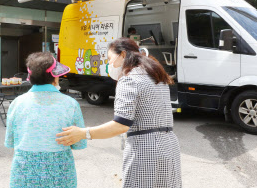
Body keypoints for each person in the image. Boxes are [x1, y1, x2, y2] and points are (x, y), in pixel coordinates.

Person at [56, 38, 182, 187]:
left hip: (145, 150)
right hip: (169, 146)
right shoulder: (156, 76)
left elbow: (121, 125)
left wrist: (83, 133)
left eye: (110, 59)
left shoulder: (129, 80)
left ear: (122, 55)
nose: (109, 64)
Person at [4, 52, 87, 188]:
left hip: (24, 173)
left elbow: (11, 141)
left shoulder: (17, 103)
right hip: (60, 174)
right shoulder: (70, 104)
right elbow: (79, 144)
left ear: (30, 77)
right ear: (55, 78)